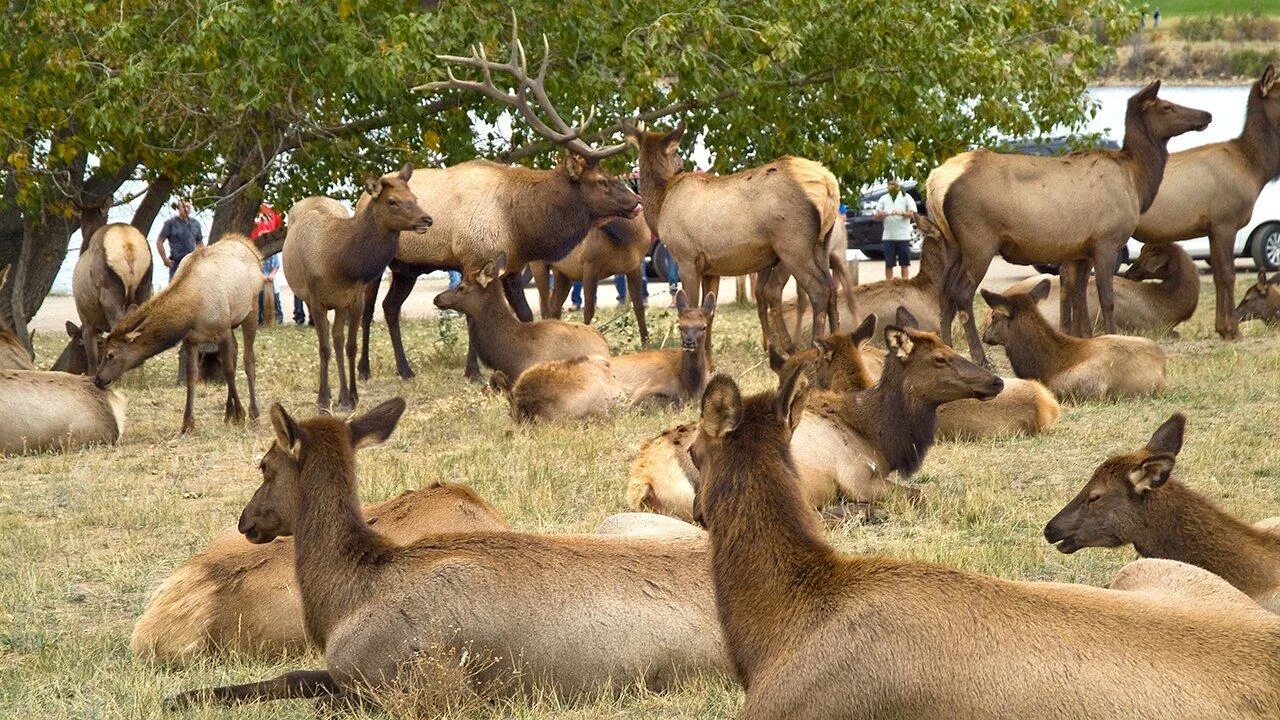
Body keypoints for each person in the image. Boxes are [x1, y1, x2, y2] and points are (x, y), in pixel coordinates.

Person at [873, 179, 917, 281]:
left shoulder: (906, 197)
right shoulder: (883, 198)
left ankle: (905, 283)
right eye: (889, 185)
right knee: (889, 264)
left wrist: (903, 213)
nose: (891, 187)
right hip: (888, 236)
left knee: (904, 263)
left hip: (903, 236)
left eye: (894, 184)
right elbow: (875, 216)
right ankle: (889, 284)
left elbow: (914, 214)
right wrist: (882, 214)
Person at [156, 198, 204, 281]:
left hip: (191, 263)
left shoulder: (195, 224)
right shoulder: (170, 223)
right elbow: (159, 241)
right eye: (183, 206)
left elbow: (199, 243)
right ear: (178, 208)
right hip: (176, 264)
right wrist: (164, 259)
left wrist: (201, 257)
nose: (186, 209)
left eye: (188, 207)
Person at [258, 253, 283, 325]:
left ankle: (278, 319)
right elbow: (255, 266)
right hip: (261, 279)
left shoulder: (273, 252)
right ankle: (261, 320)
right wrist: (262, 275)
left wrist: (272, 274)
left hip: (272, 279)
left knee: (276, 300)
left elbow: (277, 265)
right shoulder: (258, 252)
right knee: (260, 301)